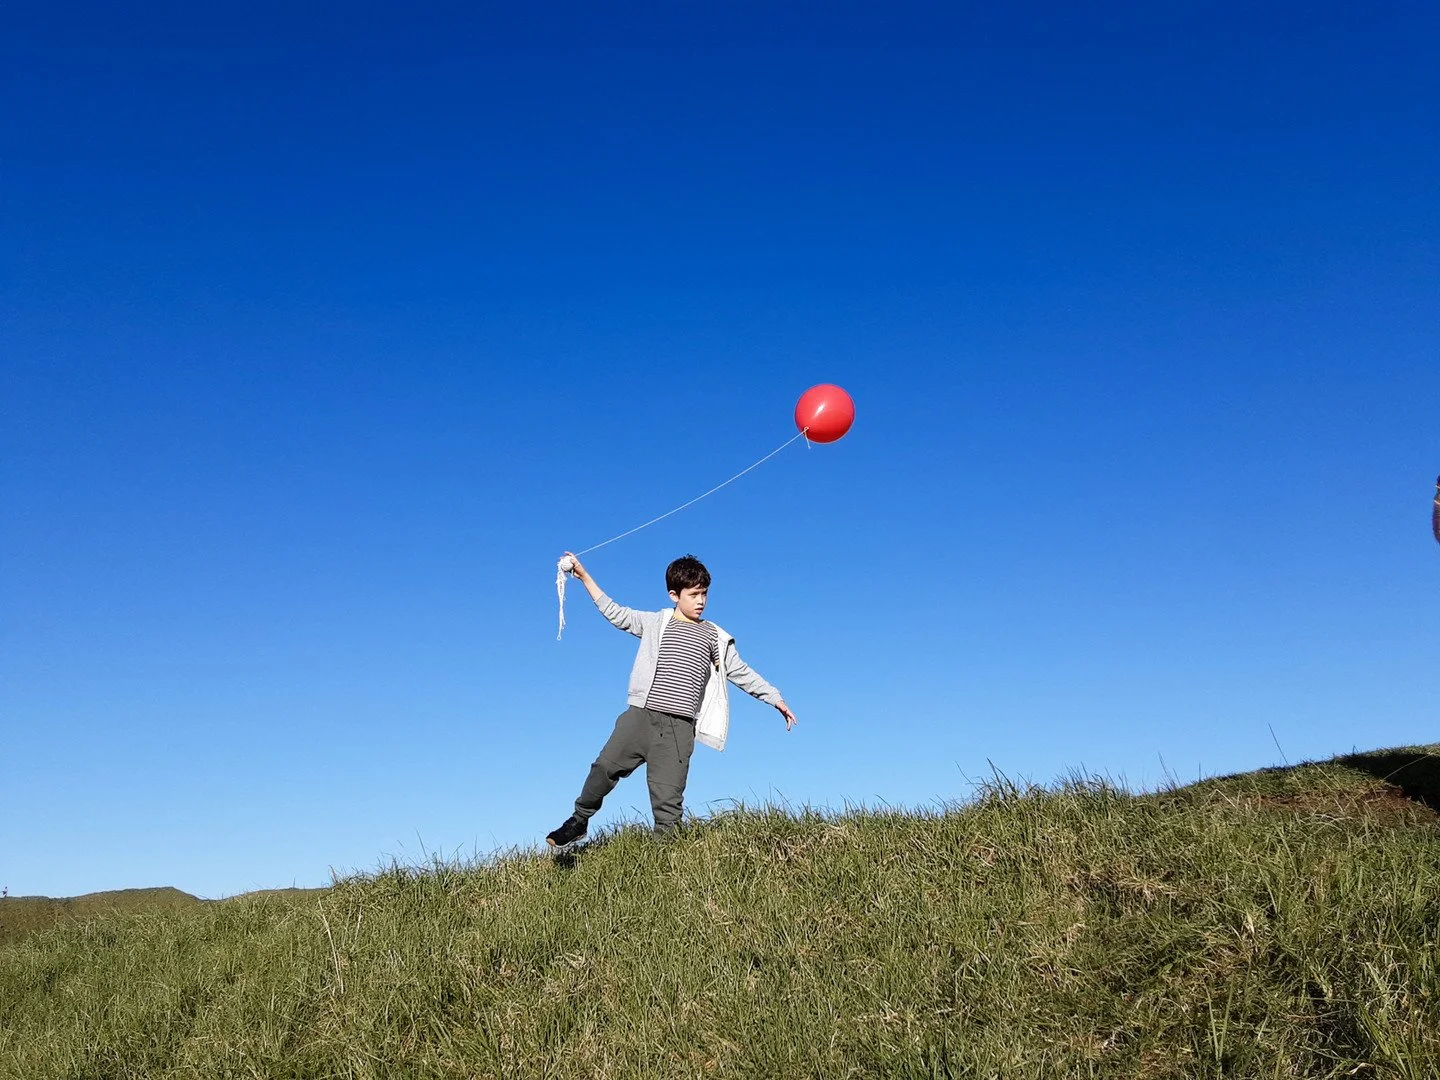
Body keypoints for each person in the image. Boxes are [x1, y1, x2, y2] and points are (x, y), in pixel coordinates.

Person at [545, 552, 797, 846]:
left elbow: (739, 671)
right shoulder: (656, 622)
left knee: (668, 801)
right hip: (640, 717)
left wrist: (775, 697)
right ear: (674, 595)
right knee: (603, 768)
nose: (701, 601)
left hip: (678, 730)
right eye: (694, 595)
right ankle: (578, 821)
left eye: (704, 594)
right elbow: (614, 612)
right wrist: (585, 576)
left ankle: (664, 864)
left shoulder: (713, 636)